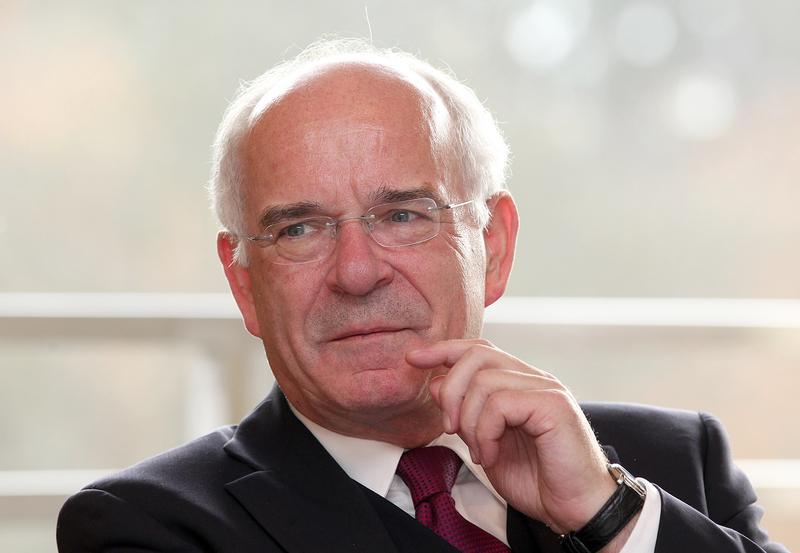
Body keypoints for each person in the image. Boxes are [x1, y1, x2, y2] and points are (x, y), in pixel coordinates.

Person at [57, 39, 787, 553]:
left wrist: (611, 519)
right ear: (244, 282)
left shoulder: (675, 465)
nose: (356, 272)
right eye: (299, 228)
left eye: (403, 215)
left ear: (492, 247)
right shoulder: (146, 526)